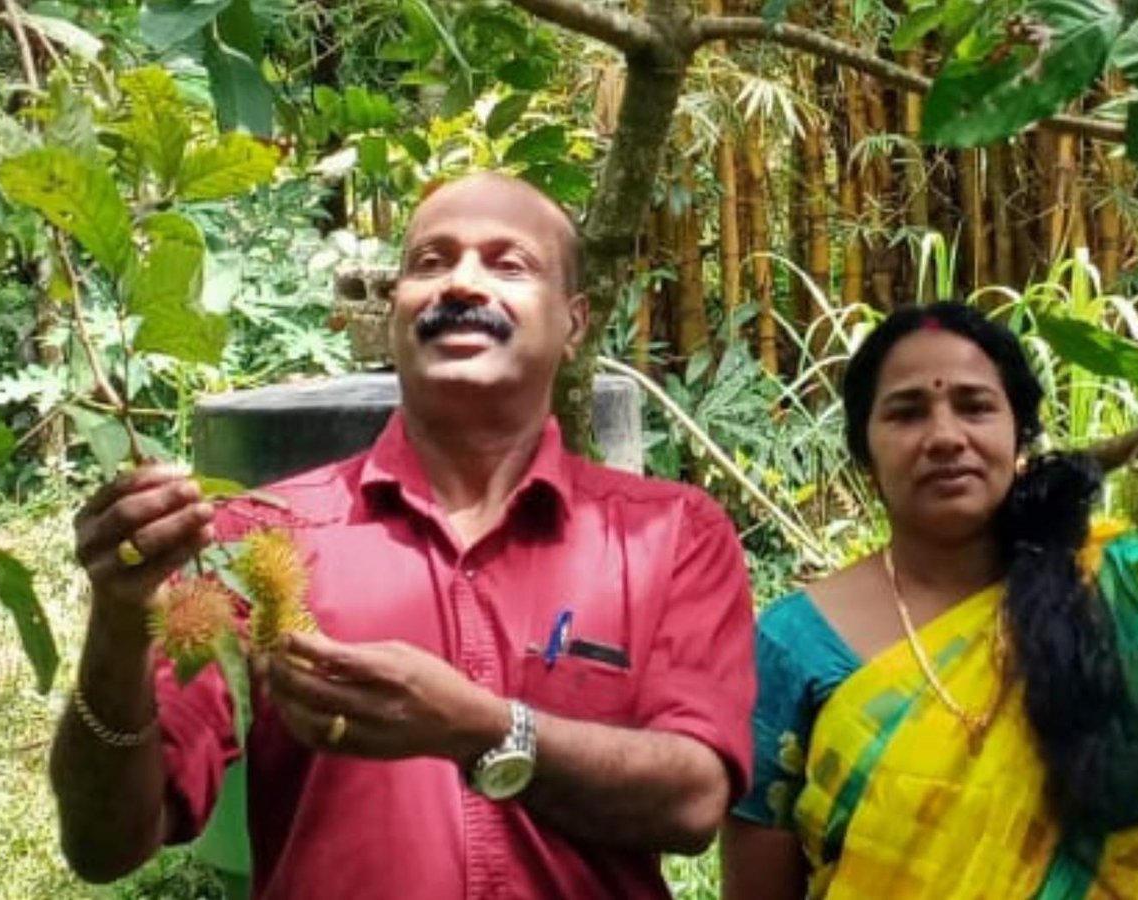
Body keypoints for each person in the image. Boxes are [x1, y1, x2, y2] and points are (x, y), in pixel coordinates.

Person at [51, 172, 757, 899]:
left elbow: (694, 801)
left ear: (574, 323)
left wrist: (477, 729)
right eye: (430, 262)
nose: (462, 284)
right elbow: (106, 845)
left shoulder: (669, 534)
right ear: (393, 314)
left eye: (508, 264)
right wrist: (117, 618)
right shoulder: (258, 536)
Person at [721, 302, 1138, 899]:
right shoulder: (792, 646)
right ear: (865, 453)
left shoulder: (1121, 584)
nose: (944, 436)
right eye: (907, 412)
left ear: (1020, 437)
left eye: (975, 407)